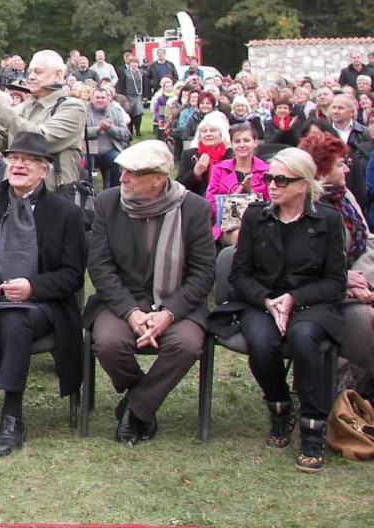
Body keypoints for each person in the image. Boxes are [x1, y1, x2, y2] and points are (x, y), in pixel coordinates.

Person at [0, 132, 87, 456]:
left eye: (28, 160)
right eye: (13, 158)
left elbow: (73, 275)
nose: (18, 164)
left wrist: (34, 287)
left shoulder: (65, 213)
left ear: (45, 170)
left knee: (15, 318)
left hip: (42, 305)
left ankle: (13, 416)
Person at [216, 148, 346, 472]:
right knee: (260, 340)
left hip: (311, 302)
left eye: (281, 180)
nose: (271, 185)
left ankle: (313, 427)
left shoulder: (328, 220)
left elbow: (334, 282)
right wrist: (266, 300)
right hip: (261, 301)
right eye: (267, 178)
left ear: (303, 185)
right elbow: (239, 274)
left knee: (303, 338)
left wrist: (294, 298)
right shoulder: (255, 216)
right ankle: (279, 407)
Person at [85, 140, 216, 445]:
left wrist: (169, 313)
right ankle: (145, 400)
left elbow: (203, 272)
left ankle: (135, 409)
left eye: (132, 174)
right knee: (108, 343)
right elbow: (101, 267)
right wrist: (131, 312)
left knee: (185, 345)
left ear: (158, 179)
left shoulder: (194, 209)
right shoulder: (108, 203)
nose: (123, 179)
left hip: (177, 302)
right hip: (122, 301)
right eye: (122, 171)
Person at [300, 132, 374, 397]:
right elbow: (303, 266)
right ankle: (347, 394)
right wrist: (346, 281)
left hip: (360, 283)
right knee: (368, 322)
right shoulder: (303, 205)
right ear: (321, 169)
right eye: (340, 163)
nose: (347, 167)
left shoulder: (344, 197)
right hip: (324, 296)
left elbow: (366, 242)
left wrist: (366, 280)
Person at [0, 50, 86, 195]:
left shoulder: (72, 108)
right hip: (14, 196)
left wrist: (1, 107)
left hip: (54, 199)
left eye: (38, 72)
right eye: (30, 71)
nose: (31, 77)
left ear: (58, 75)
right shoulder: (23, 108)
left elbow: (38, 140)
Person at [206, 123, 270, 246]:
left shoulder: (267, 170)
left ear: (255, 142)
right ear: (231, 144)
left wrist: (251, 193)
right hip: (228, 226)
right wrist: (236, 195)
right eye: (237, 141)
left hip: (260, 224)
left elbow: (271, 203)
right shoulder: (219, 169)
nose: (242, 145)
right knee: (239, 235)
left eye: (246, 140)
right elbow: (210, 203)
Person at [85, 88, 131, 190]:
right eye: (97, 97)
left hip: (109, 151)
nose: (100, 100)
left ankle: (115, 191)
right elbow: (78, 133)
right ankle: (86, 192)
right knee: (84, 165)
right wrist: (97, 129)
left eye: (103, 98)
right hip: (88, 151)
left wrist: (110, 129)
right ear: (92, 98)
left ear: (108, 99)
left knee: (117, 160)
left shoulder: (116, 112)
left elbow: (126, 135)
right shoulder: (84, 112)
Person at [176, 112, 232, 197]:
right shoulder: (189, 154)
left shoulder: (230, 155)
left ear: (221, 134)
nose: (208, 134)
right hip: (197, 202)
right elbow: (178, 186)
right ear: (199, 136)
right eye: (204, 131)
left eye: (213, 131)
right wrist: (195, 174)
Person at [116, 55, 145, 136]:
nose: (134, 65)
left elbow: (145, 84)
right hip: (128, 95)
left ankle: (138, 130)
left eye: (136, 63)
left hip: (138, 95)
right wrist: (121, 95)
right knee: (129, 112)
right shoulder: (125, 72)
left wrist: (145, 95)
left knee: (138, 112)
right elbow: (121, 84)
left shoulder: (142, 73)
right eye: (132, 63)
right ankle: (130, 130)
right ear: (129, 64)